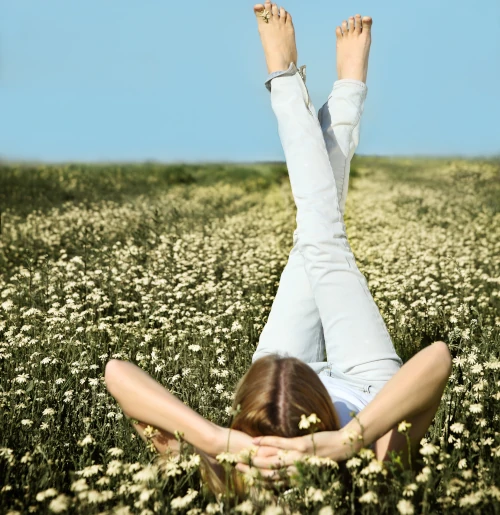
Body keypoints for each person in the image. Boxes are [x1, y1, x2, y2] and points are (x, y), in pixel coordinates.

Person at [104, 2, 452, 497]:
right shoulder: (373, 466)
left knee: (316, 236)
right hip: (368, 388)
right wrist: (345, 440)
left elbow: (116, 373)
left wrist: (217, 439)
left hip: (270, 385)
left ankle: (324, 89)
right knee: (321, 239)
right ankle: (294, 83)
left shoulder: (229, 472)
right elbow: (437, 357)